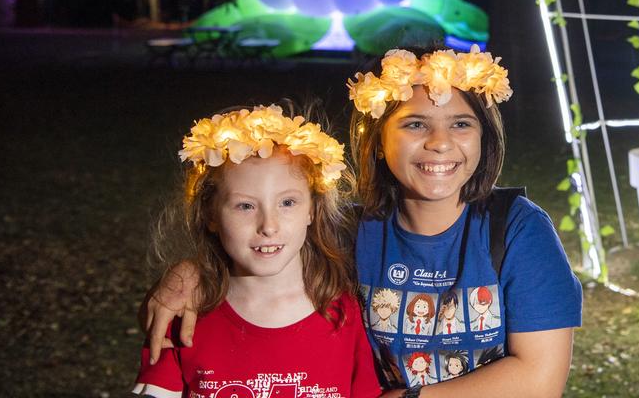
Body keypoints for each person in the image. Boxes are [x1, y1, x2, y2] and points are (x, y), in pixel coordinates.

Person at [146, 46, 583, 397]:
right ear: (376, 141)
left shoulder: (518, 230)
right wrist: (187, 274)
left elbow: (538, 380)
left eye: (461, 123)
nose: (440, 143)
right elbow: (258, 248)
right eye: (415, 124)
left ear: (484, 136)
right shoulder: (346, 232)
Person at [135, 104, 380, 398]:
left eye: (287, 202)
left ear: (312, 211)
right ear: (210, 215)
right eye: (245, 206)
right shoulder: (183, 313)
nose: (268, 226)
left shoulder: (346, 312)